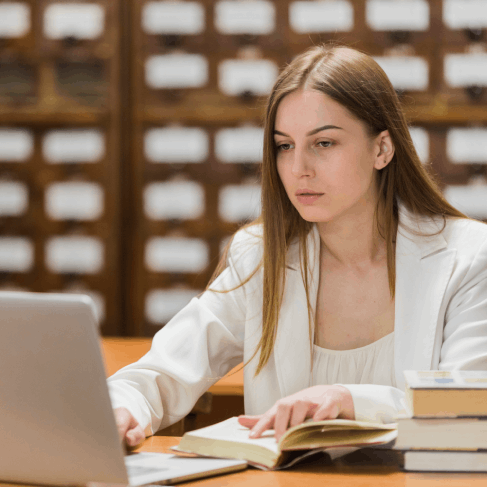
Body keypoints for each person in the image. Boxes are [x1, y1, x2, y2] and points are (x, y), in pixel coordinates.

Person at [108, 44, 487, 448]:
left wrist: (347, 400)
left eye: (324, 144)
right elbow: (165, 369)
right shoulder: (259, 256)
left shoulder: (467, 258)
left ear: (382, 148)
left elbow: (469, 412)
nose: (298, 169)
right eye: (284, 146)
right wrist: (124, 408)